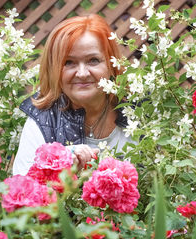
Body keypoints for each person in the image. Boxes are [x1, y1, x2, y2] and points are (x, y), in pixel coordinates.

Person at [13, 14, 133, 175]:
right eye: (68, 62)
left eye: (93, 60)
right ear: (54, 69)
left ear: (111, 65)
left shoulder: (139, 112)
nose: (82, 73)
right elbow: (23, 193)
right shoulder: (43, 122)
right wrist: (56, 171)